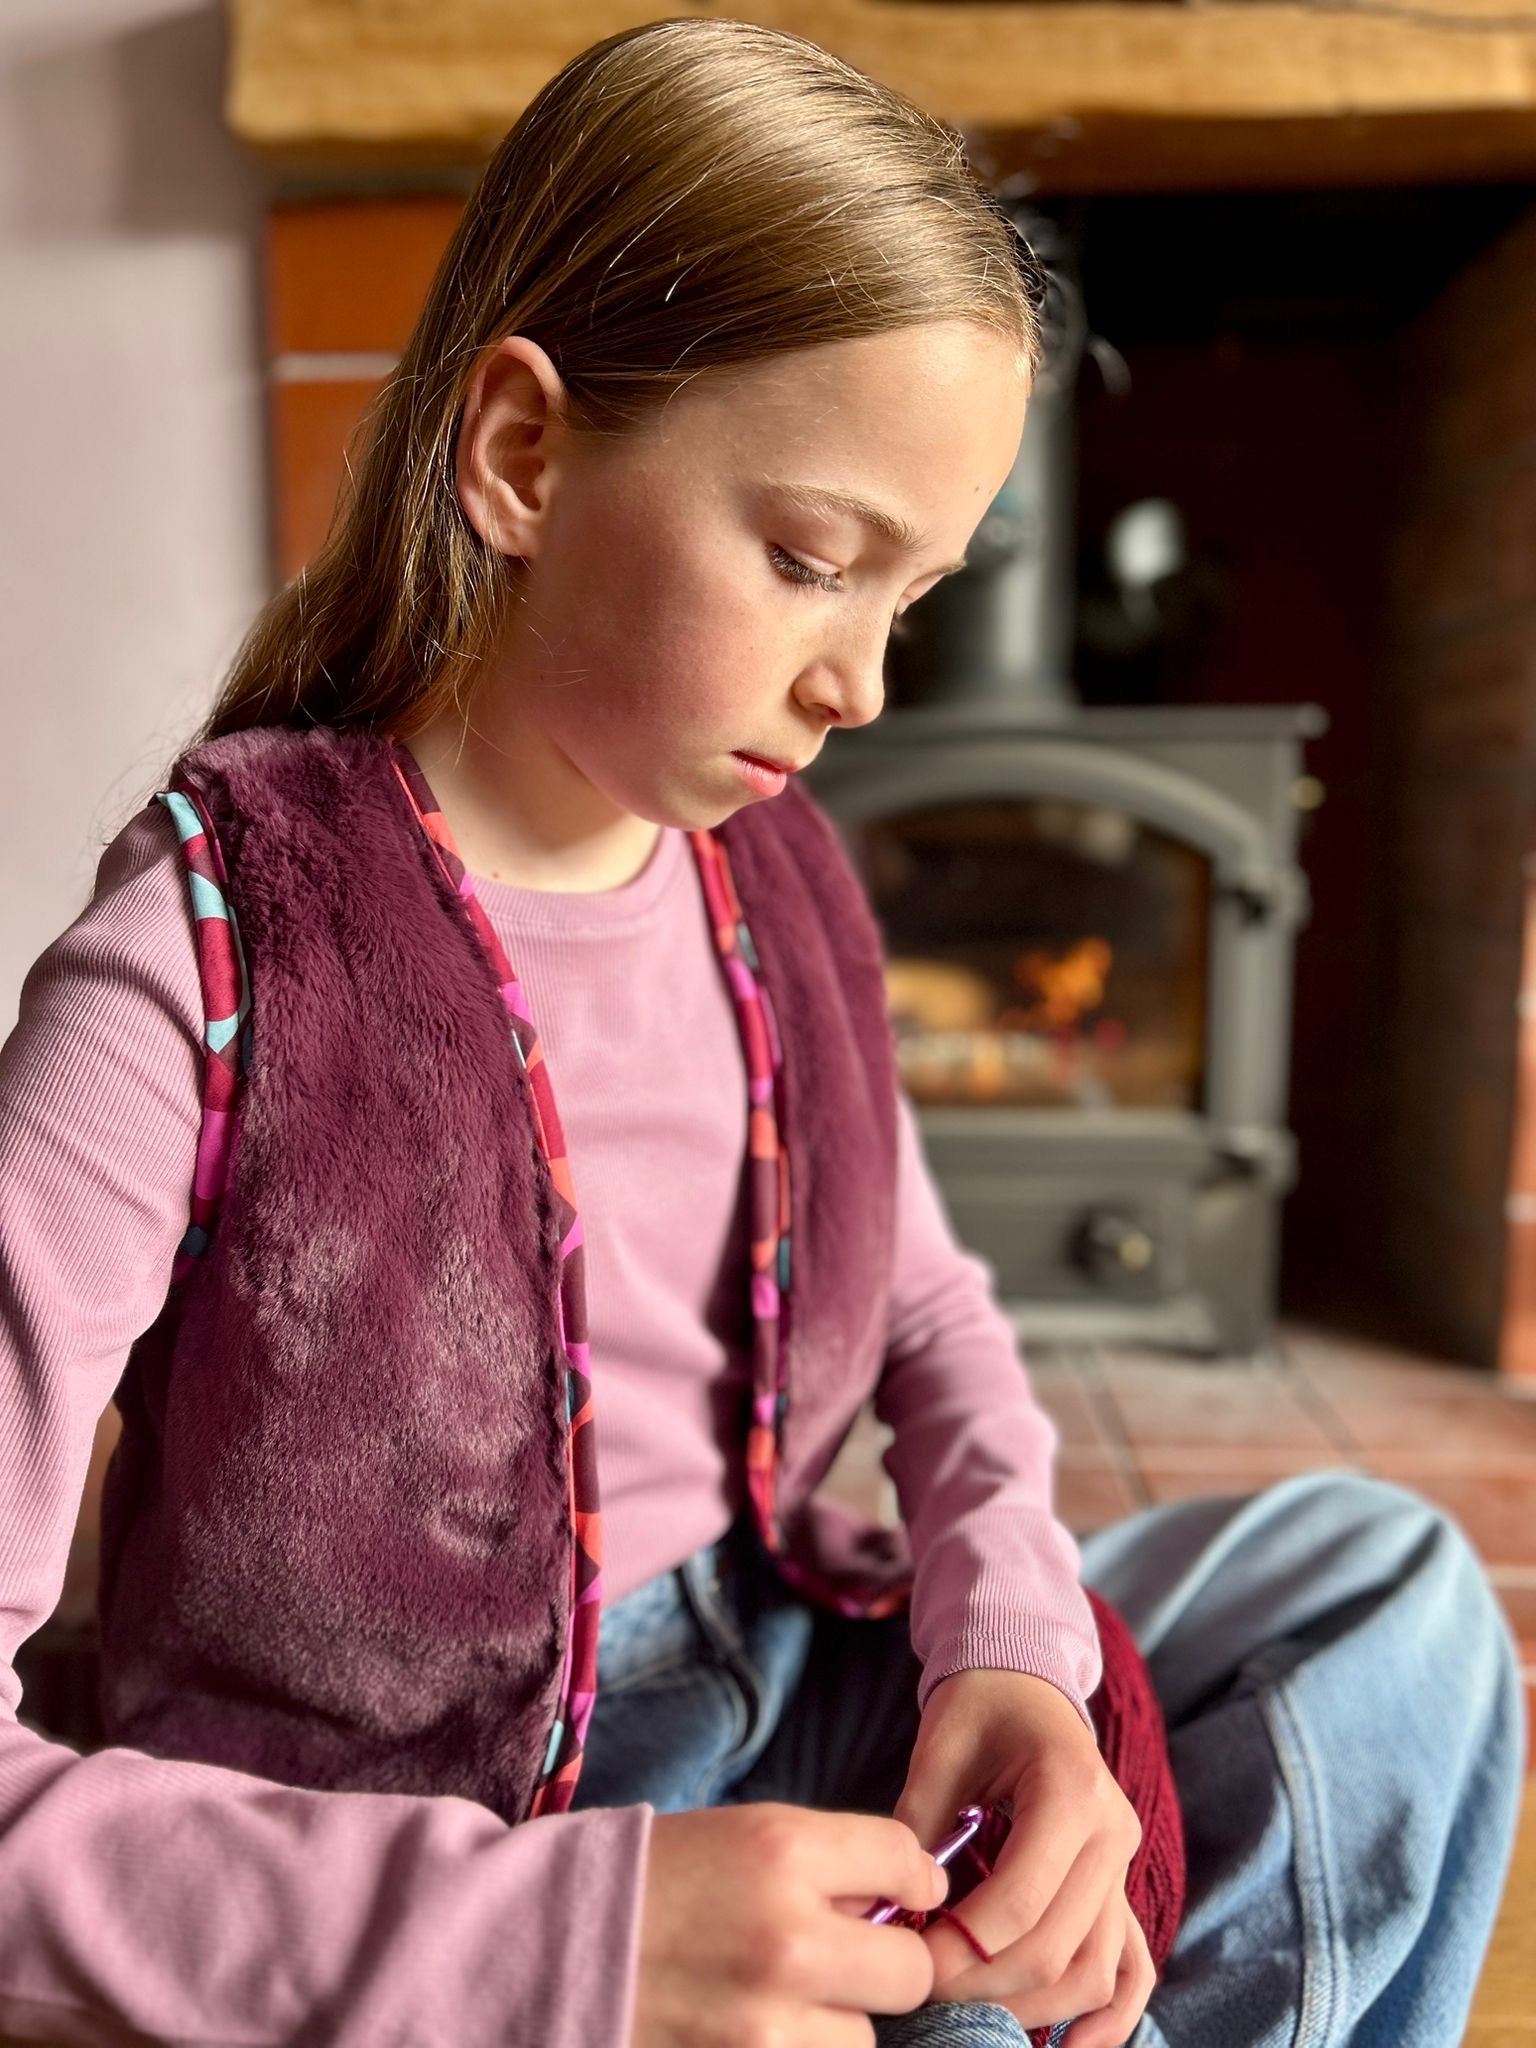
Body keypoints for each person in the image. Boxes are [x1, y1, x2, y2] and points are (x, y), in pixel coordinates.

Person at [0, 17, 1524, 2048]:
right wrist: (570, 1942)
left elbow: (932, 1312)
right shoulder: (204, 949)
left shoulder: (772, 881)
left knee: (1389, 1583)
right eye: (811, 560)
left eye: (911, 595)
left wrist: (1008, 1637)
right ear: (523, 455)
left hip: (799, 1654)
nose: (865, 688)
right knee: (990, 2007)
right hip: (451, 1821)